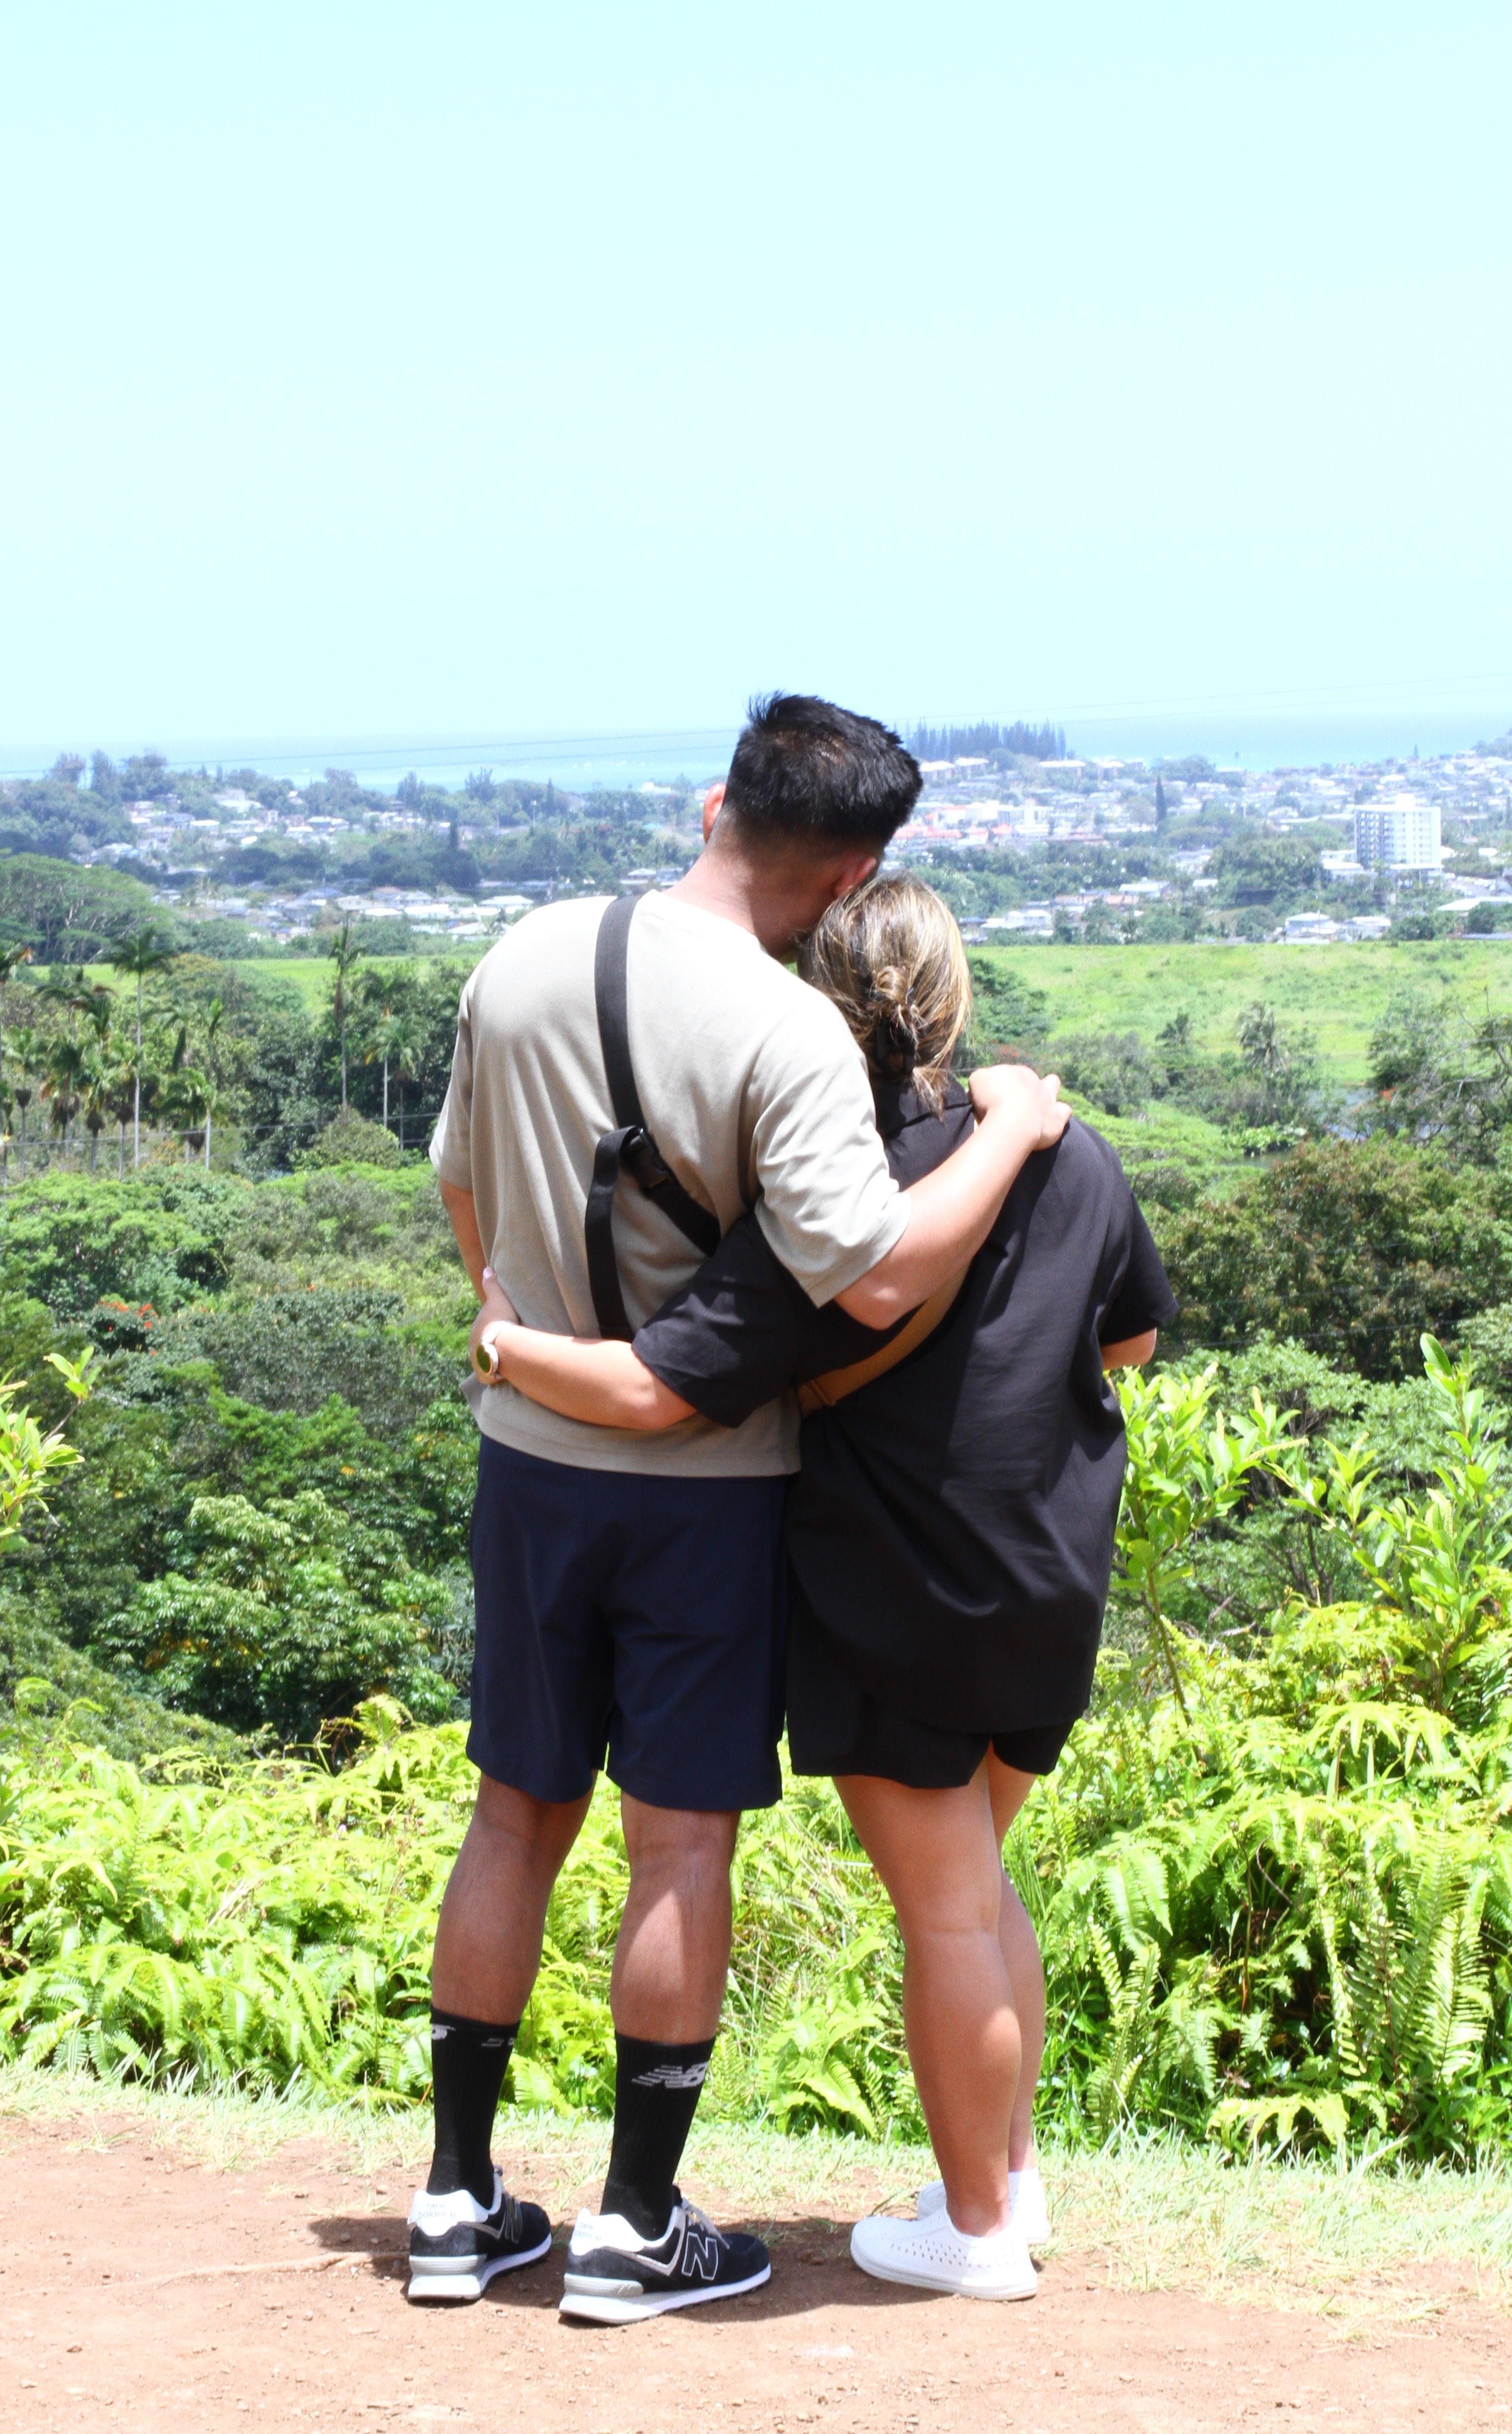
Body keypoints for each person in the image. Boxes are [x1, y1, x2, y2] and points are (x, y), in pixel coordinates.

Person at [406, 696, 1069, 2325]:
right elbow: (878, 1263)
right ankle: (637, 2224)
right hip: (702, 1485)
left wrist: (511, 1325)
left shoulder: (521, 954)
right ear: (855, 873)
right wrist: (1015, 1129)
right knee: (676, 1838)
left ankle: (454, 2199)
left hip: (529, 1450)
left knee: (513, 1812)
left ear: (714, 801)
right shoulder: (787, 1035)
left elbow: (456, 1180)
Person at [470, 873, 1176, 2304]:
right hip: (1048, 1571)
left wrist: (502, 1343)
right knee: (984, 1881)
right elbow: (1131, 1345)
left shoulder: (833, 1189)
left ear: (817, 1006)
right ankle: (1008, 2183)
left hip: (895, 1583)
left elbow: (669, 1386)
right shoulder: (1072, 1151)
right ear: (954, 996)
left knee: (953, 1912)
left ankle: (976, 2234)